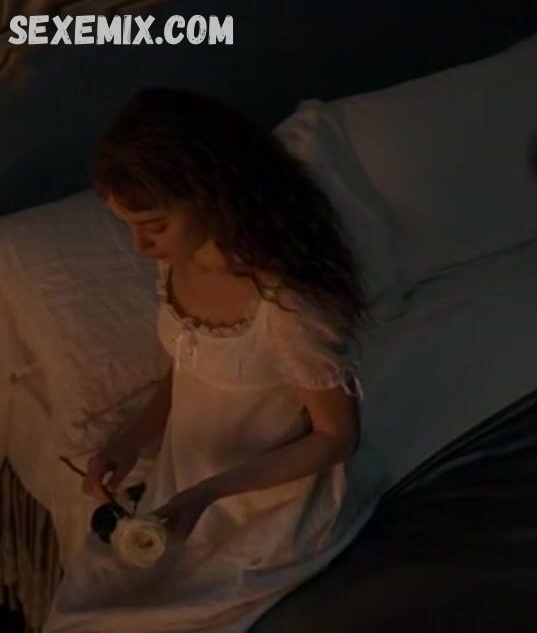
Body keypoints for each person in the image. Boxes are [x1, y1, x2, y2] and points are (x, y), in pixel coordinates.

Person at [45, 87, 376, 632]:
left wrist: (208, 494)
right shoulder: (177, 262)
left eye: (154, 225)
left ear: (210, 196)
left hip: (264, 501)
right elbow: (192, 366)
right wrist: (130, 439)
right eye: (129, 226)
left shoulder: (287, 306)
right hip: (183, 483)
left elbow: (336, 437)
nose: (139, 246)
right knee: (82, 611)